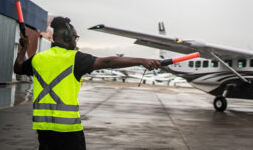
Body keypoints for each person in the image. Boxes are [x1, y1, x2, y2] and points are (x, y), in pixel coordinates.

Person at [14, 16, 161, 150]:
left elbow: (18, 68)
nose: (75, 40)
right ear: (67, 35)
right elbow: (107, 62)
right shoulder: (74, 58)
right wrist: (142, 60)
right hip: (69, 132)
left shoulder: (38, 59)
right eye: (75, 36)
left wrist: (24, 49)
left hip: (44, 130)